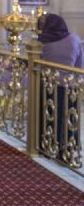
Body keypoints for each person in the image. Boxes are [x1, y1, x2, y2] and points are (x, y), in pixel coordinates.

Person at [37, 13, 83, 158]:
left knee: (49, 118)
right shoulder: (75, 40)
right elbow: (80, 67)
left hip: (48, 87)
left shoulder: (42, 42)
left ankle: (46, 147)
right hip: (70, 87)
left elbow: (38, 67)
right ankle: (66, 151)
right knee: (68, 120)